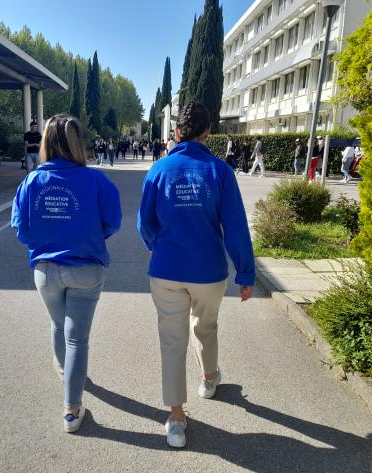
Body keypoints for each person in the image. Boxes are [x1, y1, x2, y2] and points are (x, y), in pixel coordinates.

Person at [137, 102, 255, 449]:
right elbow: (235, 228)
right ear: (207, 133)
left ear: (176, 133)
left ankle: (176, 419)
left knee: (172, 343)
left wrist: (157, 246)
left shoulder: (158, 171)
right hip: (209, 273)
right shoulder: (220, 172)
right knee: (206, 326)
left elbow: (145, 223)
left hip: (167, 271)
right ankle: (208, 379)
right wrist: (245, 273)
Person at [11, 114, 122, 433]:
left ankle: (68, 379)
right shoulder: (97, 180)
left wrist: (47, 237)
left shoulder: (32, 181)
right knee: (78, 338)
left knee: (58, 326)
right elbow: (112, 223)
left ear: (44, 142)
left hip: (45, 269)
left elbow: (21, 229)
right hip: (86, 266)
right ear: (77, 143)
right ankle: (71, 409)